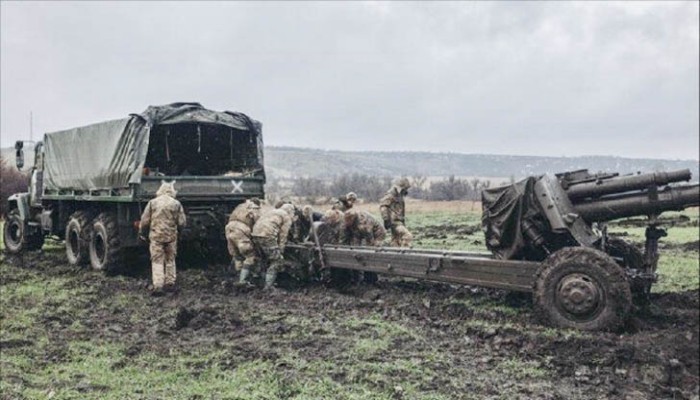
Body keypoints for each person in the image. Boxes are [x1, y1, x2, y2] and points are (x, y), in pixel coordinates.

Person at [139, 181, 187, 295]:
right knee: (170, 259)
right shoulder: (176, 204)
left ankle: (158, 285)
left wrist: (142, 233)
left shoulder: (152, 203)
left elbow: (145, 221)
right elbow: (182, 222)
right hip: (171, 236)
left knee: (157, 260)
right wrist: (179, 232)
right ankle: (170, 283)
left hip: (156, 236)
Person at [247, 203, 296, 290]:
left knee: (261, 259)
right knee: (277, 260)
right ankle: (269, 287)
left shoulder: (271, 211)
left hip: (255, 235)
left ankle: (256, 282)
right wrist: (281, 249)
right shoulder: (286, 217)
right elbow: (283, 235)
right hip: (267, 236)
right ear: (290, 211)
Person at [225, 199, 261, 277]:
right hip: (241, 230)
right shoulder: (253, 208)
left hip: (229, 228)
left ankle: (237, 274)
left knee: (237, 255)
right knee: (250, 256)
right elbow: (258, 223)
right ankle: (243, 280)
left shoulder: (240, 206)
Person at [379, 177, 413, 247]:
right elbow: (383, 206)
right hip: (394, 222)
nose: (406, 190)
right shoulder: (391, 195)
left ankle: (394, 254)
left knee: (395, 241)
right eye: (405, 189)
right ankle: (405, 254)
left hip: (399, 221)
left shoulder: (399, 196)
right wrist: (386, 219)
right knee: (407, 235)